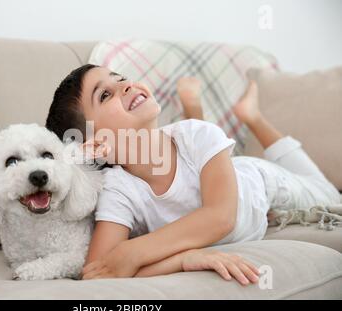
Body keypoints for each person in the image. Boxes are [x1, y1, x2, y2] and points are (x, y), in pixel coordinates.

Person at [45, 64, 340, 285]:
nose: (125, 85)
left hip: (259, 182)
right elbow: (99, 271)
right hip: (212, 169)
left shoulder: (198, 134)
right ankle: (204, 108)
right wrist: (185, 259)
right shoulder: (118, 190)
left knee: (327, 193)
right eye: (105, 94)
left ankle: (252, 117)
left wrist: (133, 252)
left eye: (120, 77)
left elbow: (220, 217)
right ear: (96, 145)